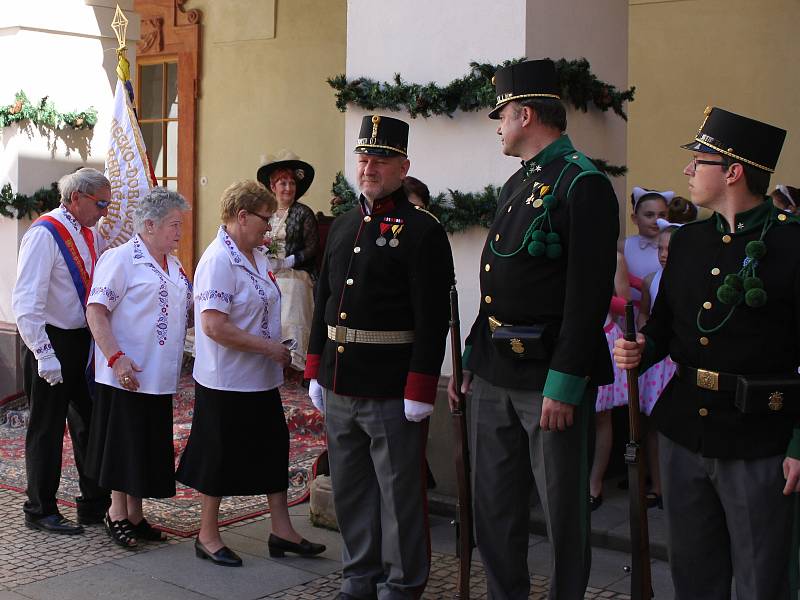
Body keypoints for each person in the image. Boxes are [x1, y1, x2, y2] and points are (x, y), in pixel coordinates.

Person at [448, 59, 619, 599]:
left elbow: (588, 294)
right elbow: (497, 280)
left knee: (563, 511)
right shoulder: (519, 183)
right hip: (497, 370)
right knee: (494, 504)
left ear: (525, 114)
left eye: (501, 114)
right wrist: (471, 359)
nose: (497, 125)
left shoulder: (582, 183)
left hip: (548, 376)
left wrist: (565, 381)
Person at [614, 106, 800, 599]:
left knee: (762, 579)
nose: (687, 171)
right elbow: (667, 327)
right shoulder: (691, 242)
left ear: (733, 171)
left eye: (699, 161)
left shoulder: (791, 244)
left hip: (759, 435)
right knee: (693, 573)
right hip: (683, 429)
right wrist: (641, 348)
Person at [305, 114, 454, 599]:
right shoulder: (345, 223)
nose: (369, 167)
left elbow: (432, 317)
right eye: (364, 158)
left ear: (403, 165)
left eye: (381, 159)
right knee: (350, 489)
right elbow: (324, 298)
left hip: (391, 385)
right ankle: (359, 575)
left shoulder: (422, 230)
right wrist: (314, 366)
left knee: (398, 494)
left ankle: (402, 582)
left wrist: (420, 386)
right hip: (339, 380)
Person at [176, 180, 325, 567]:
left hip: (259, 378)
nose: (270, 226)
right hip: (227, 379)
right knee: (219, 456)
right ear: (241, 217)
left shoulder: (256, 254)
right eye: (265, 218)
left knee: (273, 448)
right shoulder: (218, 261)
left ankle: (282, 530)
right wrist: (269, 348)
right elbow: (213, 327)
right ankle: (207, 534)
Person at [84, 187, 191, 548]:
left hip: (159, 373)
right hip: (127, 371)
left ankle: (135, 514)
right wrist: (115, 357)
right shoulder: (120, 259)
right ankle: (116, 513)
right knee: (124, 444)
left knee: (144, 445)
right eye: (174, 225)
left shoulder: (173, 264)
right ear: (149, 224)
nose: (180, 231)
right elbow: (95, 310)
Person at [12, 167, 112, 534]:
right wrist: (42, 351)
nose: (104, 211)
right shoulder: (44, 234)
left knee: (90, 422)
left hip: (82, 340)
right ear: (76, 198)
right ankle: (40, 509)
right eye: (100, 203)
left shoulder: (90, 233)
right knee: (47, 428)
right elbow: (26, 301)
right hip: (51, 340)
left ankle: (94, 504)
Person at [256, 150, 320, 377]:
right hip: (265, 269)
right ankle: (260, 353)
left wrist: (290, 261)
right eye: (283, 183)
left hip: (297, 272)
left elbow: (313, 248)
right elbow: (253, 239)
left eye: (292, 183)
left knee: (290, 288)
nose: (288, 188)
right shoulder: (264, 212)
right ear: (273, 186)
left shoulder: (304, 213)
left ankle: (294, 356)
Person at [589, 252, 630, 511]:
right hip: (565, 341)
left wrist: (596, 298)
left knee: (601, 416)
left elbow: (625, 303)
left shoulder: (613, 258)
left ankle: (595, 484)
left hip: (602, 339)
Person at [621, 187, 671, 306]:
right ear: (635, 218)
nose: (656, 220)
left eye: (662, 215)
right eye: (649, 215)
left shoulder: (674, 246)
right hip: (631, 311)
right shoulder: (623, 246)